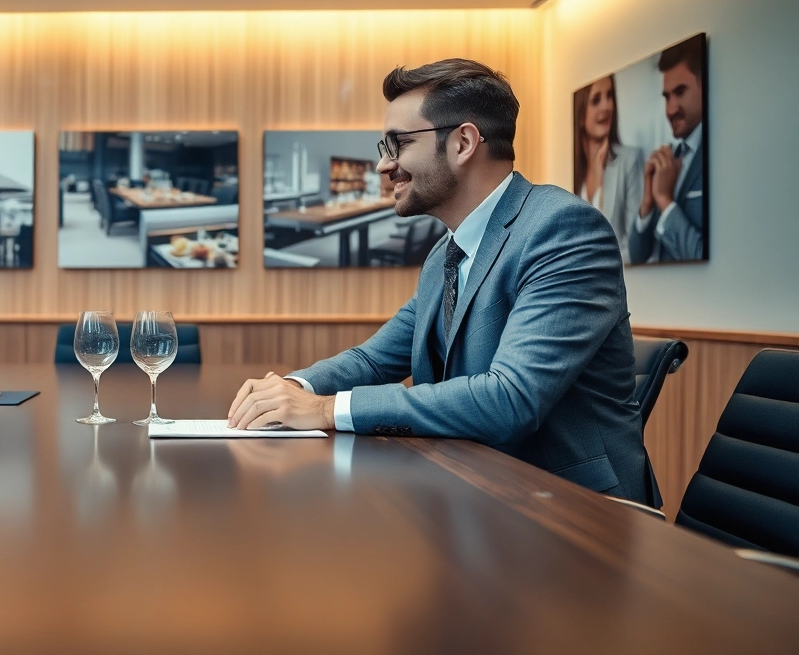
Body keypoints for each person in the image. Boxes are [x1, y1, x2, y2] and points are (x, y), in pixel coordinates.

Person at [228, 59, 655, 505]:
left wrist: (325, 410)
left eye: (398, 144)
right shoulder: (444, 255)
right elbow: (376, 360)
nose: (381, 166)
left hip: (577, 515)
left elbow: (510, 398)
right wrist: (297, 389)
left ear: (464, 142)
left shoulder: (563, 229)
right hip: (480, 496)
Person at [629, 39, 706, 263]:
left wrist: (664, 200)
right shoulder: (669, 158)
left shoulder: (719, 157)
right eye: (666, 96)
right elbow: (636, 256)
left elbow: (701, 254)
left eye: (680, 92)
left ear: (704, 85)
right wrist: (647, 202)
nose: (670, 109)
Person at [573, 74, 644, 261]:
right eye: (596, 100)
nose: (606, 106)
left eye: (610, 96)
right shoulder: (576, 173)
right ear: (580, 116)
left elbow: (637, 245)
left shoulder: (630, 160)